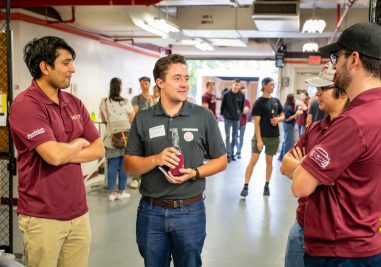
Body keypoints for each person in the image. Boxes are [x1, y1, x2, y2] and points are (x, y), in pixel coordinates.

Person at [292, 23, 381, 266]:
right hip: (356, 245)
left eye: (337, 57)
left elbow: (300, 185)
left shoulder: (353, 122)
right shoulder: (378, 111)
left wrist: (302, 163)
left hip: (340, 252)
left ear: (354, 59)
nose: (333, 65)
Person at [9, 36, 105, 267]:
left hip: (79, 213)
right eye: (66, 62)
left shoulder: (74, 102)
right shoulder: (26, 105)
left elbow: (99, 148)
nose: (72, 69)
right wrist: (77, 143)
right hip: (42, 217)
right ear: (44, 66)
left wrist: (66, 151)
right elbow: (53, 156)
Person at [124, 54, 227, 267]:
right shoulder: (143, 118)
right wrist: (156, 159)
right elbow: (129, 164)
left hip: (190, 210)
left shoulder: (203, 116)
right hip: (150, 211)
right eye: (177, 78)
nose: (184, 84)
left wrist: (196, 172)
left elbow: (221, 160)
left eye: (186, 78)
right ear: (160, 83)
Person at [281, 63, 348, 267]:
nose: (317, 94)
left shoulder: (351, 131)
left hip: (335, 236)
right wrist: (308, 169)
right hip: (301, 226)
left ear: (343, 92)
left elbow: (309, 182)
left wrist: (304, 166)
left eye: (323, 89)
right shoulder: (315, 129)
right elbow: (285, 164)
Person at [240, 77, 284, 197]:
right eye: (271, 85)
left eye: (274, 85)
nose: (273, 87)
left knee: (269, 162)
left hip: (273, 137)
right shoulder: (259, 102)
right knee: (253, 160)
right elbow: (256, 123)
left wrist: (278, 119)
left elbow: (282, 114)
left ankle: (267, 185)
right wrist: (259, 140)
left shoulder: (275, 101)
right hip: (260, 137)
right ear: (264, 85)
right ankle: (245, 185)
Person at [100, 77, 135, 201]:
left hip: (112, 137)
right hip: (126, 136)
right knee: (124, 164)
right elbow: (132, 118)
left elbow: (104, 119)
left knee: (113, 165)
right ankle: (122, 191)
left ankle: (111, 193)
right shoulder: (125, 101)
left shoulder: (104, 102)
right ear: (120, 87)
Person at [129, 76, 152, 189]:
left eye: (146, 83)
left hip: (153, 130)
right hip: (140, 130)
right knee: (138, 154)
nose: (144, 86)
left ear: (149, 84)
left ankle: (150, 178)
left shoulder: (154, 98)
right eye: (142, 84)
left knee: (151, 153)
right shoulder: (136, 99)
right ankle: (135, 178)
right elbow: (135, 114)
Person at [220, 79, 245, 162]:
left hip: (236, 119)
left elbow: (241, 108)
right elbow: (222, 106)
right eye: (235, 84)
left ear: (239, 86)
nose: (236, 86)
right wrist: (223, 115)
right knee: (227, 136)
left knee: (234, 137)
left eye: (238, 85)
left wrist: (239, 115)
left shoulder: (241, 95)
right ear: (232, 84)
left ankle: (232, 153)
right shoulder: (226, 94)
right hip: (227, 118)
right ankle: (228, 155)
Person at [278, 94, 302, 161]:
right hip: (288, 125)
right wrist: (296, 114)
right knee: (288, 142)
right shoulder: (288, 107)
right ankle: (285, 159)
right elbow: (287, 118)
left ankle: (281, 156)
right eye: (293, 98)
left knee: (286, 141)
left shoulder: (287, 106)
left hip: (287, 125)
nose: (294, 99)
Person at [236, 87, 251, 159]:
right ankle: (236, 150)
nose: (244, 94)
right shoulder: (236, 100)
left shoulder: (247, 102)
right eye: (243, 92)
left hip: (243, 122)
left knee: (241, 138)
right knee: (234, 137)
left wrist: (238, 110)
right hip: (235, 121)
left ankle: (239, 152)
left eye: (245, 92)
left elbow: (245, 111)